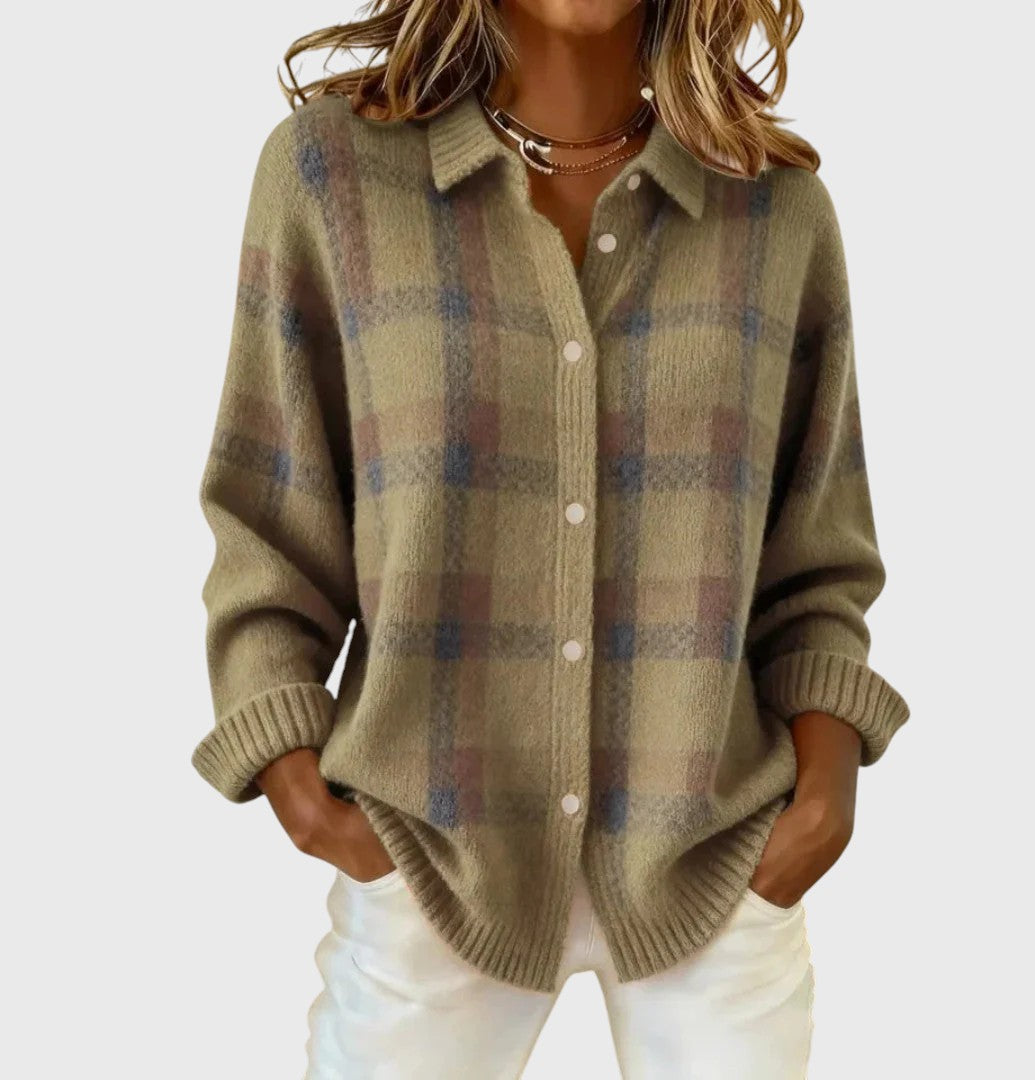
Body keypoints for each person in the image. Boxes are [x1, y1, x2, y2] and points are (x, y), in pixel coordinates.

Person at [191, 1, 911, 1075]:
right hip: (432, 854)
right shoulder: (331, 178)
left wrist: (823, 800)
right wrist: (297, 784)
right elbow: (270, 513)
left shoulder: (776, 211)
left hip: (714, 855)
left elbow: (817, 556)